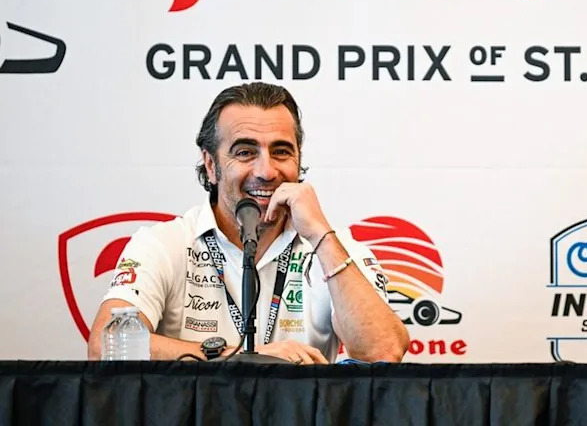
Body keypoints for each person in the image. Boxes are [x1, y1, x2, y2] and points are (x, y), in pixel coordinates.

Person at [87, 82, 408, 363]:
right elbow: (106, 346)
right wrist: (242, 359)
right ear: (211, 165)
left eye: (281, 151)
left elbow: (383, 351)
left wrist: (322, 236)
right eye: (245, 152)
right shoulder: (163, 244)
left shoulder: (336, 250)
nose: (266, 171)